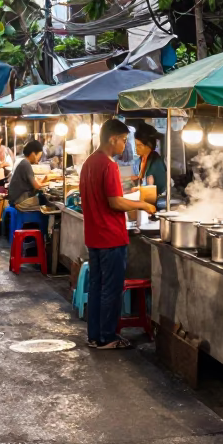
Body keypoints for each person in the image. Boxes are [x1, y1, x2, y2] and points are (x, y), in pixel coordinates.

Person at [82, 119, 157, 350]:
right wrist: (143, 204)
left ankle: (95, 336)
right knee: (111, 290)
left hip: (94, 236)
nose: (125, 145)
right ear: (112, 139)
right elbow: (114, 202)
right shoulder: (108, 165)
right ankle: (107, 337)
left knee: (96, 287)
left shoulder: (88, 163)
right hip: (111, 238)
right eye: (124, 140)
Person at [7, 140, 55, 211]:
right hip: (20, 200)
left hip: (16, 198)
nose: (38, 159)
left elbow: (34, 184)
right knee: (48, 204)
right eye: (39, 156)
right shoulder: (25, 164)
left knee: (44, 198)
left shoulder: (22, 161)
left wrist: (45, 179)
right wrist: (50, 182)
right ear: (33, 154)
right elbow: (37, 186)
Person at [130, 124, 168, 210]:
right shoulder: (137, 162)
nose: (136, 148)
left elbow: (158, 189)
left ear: (149, 146)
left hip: (156, 204)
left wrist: (139, 188)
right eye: (135, 145)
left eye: (140, 145)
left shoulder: (156, 162)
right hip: (143, 202)